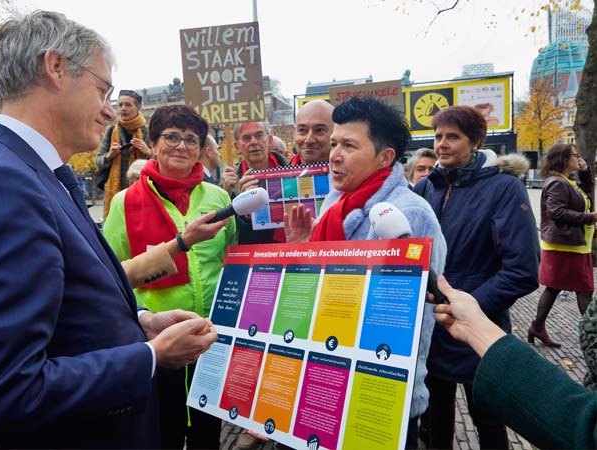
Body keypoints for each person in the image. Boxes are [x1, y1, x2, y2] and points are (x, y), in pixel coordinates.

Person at [0, 11, 217, 449]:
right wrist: (150, 358)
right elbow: (7, 393)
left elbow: (70, 302)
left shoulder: (32, 173)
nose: (107, 110)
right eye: (102, 89)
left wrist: (141, 323)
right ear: (56, 68)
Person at [285, 97, 446, 450]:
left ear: (385, 157)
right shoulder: (335, 201)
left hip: (376, 392)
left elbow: (393, 319)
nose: (334, 155)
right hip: (324, 376)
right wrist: (303, 248)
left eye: (348, 145)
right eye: (334, 144)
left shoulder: (409, 215)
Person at [103, 104, 236, 450]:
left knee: (209, 430)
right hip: (159, 338)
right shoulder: (124, 202)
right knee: (165, 430)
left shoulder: (219, 197)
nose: (182, 146)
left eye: (191, 140)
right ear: (153, 142)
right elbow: (111, 274)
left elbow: (230, 259)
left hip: (211, 336)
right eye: (172, 137)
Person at [414, 105, 539, 449]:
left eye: (452, 136)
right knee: (435, 421)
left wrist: (468, 308)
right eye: (438, 136)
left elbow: (522, 270)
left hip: (480, 330)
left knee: (489, 422)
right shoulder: (428, 188)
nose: (442, 144)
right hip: (433, 330)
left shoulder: (503, 189)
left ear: (476, 141)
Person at [432, 275, 597, 450]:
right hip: (448, 337)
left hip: (472, 349)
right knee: (439, 412)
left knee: (488, 424)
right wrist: (472, 325)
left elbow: (522, 271)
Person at [530, 143, 596, 348]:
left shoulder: (568, 180)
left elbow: (587, 198)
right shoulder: (557, 183)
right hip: (566, 246)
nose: (579, 158)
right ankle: (592, 338)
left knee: (555, 287)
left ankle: (537, 327)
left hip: (572, 244)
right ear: (564, 159)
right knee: (584, 289)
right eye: (576, 155)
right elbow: (556, 213)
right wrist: (590, 217)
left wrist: (585, 172)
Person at [220, 121, 288, 244]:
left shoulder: (294, 170)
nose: (253, 142)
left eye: (259, 135)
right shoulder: (229, 184)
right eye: (246, 138)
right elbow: (227, 233)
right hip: (253, 255)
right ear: (237, 147)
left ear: (270, 139)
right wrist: (234, 200)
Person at [96, 89, 152, 219]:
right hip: (116, 193)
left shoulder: (147, 131)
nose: (123, 108)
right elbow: (98, 160)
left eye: (128, 105)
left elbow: (161, 161)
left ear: (138, 107)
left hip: (143, 191)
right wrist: (109, 155)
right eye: (120, 105)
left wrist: (148, 151)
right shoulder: (111, 131)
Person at [290, 99, 334, 165]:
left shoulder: (352, 173)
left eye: (319, 130)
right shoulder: (280, 174)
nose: (308, 140)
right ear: (294, 133)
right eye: (302, 130)